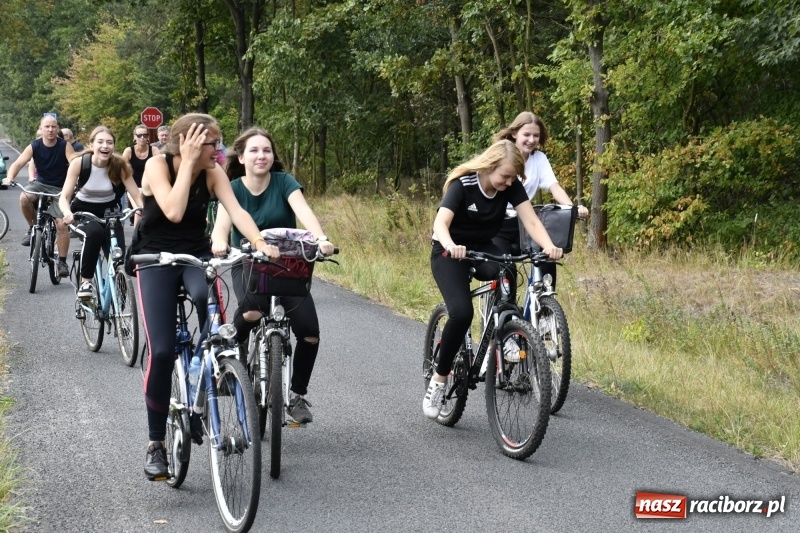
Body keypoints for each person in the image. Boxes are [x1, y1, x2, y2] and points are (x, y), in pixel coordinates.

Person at [135, 113, 273, 481]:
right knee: (162, 350)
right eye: (213, 143)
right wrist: (189, 162)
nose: (221, 150)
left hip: (195, 257)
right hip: (154, 261)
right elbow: (175, 210)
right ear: (189, 142)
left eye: (219, 143)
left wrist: (259, 242)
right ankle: (155, 444)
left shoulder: (213, 173)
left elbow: (237, 211)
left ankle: (202, 382)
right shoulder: (155, 166)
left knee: (214, 326)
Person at [423, 140, 563, 419]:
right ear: (489, 166)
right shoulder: (463, 185)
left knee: (507, 269)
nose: (509, 182)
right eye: (505, 176)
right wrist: (451, 244)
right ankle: (438, 381)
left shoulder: (510, 186)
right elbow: (441, 223)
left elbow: (532, 221)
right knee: (461, 313)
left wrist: (548, 245)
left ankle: (501, 336)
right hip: (449, 251)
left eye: (513, 178)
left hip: (482, 247)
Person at [210, 128, 334, 425]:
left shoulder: (284, 182)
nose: (261, 156)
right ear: (241, 156)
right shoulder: (233, 187)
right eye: (253, 150)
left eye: (266, 150)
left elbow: (303, 211)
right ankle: (231, 361)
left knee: (309, 332)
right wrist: (218, 242)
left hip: (288, 265)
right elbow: (221, 225)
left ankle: (296, 395)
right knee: (251, 310)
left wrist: (321, 238)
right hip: (249, 263)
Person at [491, 111, 588, 288]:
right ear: (514, 134)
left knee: (547, 255)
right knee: (506, 271)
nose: (531, 140)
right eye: (526, 134)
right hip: (500, 225)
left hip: (525, 225)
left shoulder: (539, 159)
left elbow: (554, 186)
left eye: (536, 135)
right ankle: (504, 311)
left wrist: (572, 208)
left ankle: (544, 307)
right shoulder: (501, 156)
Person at [59, 126, 142, 300]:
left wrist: (144, 211)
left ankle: (119, 291)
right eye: (101, 142)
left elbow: (136, 195)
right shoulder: (80, 163)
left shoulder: (119, 166)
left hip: (110, 212)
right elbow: (64, 196)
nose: (105, 146)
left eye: (109, 142)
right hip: (83, 212)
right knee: (94, 233)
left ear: (114, 146)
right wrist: (67, 213)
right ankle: (86, 282)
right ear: (91, 144)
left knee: (117, 253)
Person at [2, 115, 76, 277]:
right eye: (47, 127)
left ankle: (62, 261)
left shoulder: (64, 146)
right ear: (41, 129)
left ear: (57, 129)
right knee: (24, 197)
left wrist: (76, 180)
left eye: (53, 127)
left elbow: (74, 162)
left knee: (61, 224)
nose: (50, 130)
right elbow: (18, 163)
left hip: (60, 187)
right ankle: (32, 228)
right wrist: (10, 177)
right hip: (40, 184)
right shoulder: (34, 146)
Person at [122, 125, 160, 220]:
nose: (142, 138)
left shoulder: (154, 150)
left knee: (152, 211)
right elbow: (121, 169)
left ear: (148, 137)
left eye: (145, 135)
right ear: (134, 137)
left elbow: (160, 168)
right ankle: (136, 234)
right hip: (133, 187)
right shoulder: (129, 151)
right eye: (139, 135)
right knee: (139, 210)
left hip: (150, 186)